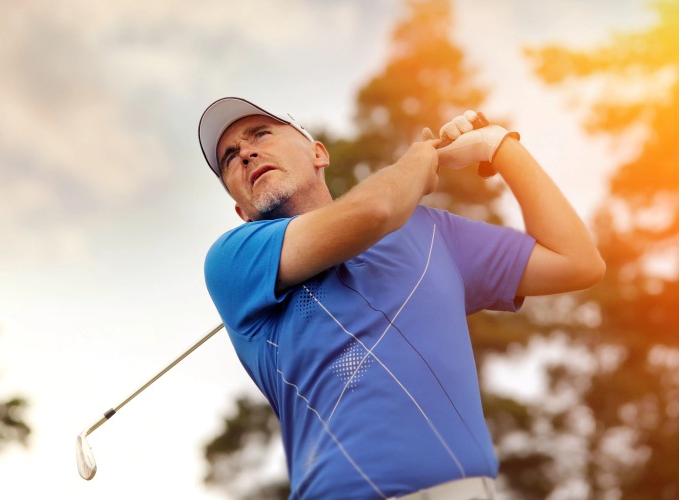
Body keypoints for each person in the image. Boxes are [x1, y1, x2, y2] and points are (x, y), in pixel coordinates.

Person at [198, 97, 605, 500]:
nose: (246, 154)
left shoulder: (431, 232)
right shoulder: (232, 260)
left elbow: (576, 262)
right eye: (230, 158)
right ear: (241, 211)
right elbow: (374, 209)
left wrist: (499, 147)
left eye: (261, 134)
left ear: (318, 153)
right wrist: (420, 162)